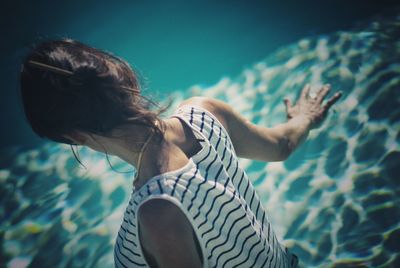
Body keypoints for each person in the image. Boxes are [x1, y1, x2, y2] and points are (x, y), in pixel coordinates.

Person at [19, 38, 341, 268]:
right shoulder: (204, 112)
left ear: (73, 136)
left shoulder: (157, 212)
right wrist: (305, 117)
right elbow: (282, 146)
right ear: (121, 79)